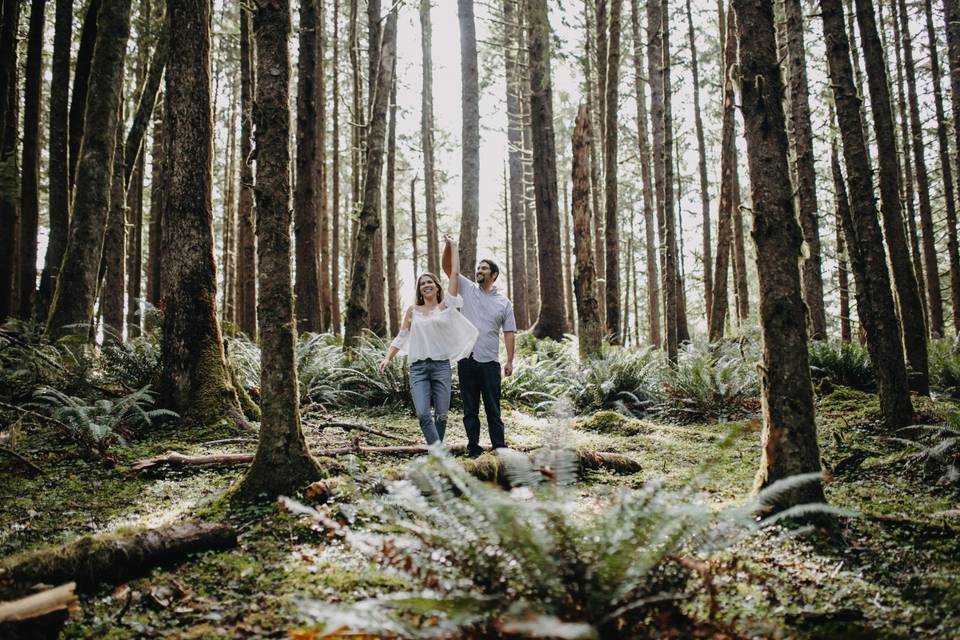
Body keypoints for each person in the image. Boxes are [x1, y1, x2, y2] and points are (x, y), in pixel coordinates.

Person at [379, 237, 478, 445]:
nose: (426, 285)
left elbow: (455, 274)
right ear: (420, 290)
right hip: (418, 369)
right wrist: (388, 357)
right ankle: (439, 454)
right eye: (422, 283)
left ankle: (436, 455)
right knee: (423, 414)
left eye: (429, 282)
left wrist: (453, 247)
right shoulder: (412, 311)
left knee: (441, 416)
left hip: (441, 367)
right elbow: (402, 336)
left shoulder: (445, 307)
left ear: (436, 286)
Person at [442, 239, 517, 457]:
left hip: (490, 362)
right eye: (478, 268)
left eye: (484, 268)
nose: (479, 271)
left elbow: (509, 332)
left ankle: (499, 447)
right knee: (470, 410)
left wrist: (510, 360)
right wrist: (450, 246)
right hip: (466, 359)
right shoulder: (467, 288)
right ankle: (473, 448)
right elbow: (448, 268)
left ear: (493, 274)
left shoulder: (504, 302)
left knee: (493, 409)